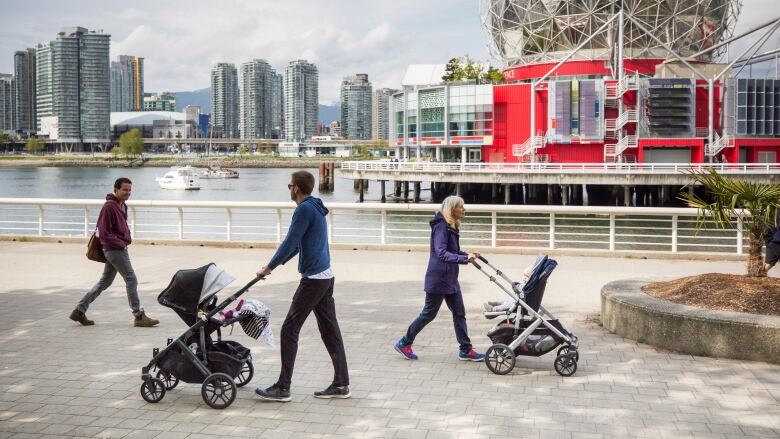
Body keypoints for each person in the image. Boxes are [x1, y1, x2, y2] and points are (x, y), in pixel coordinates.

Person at [255, 170, 350, 402]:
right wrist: (279, 263)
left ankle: (283, 387)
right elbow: (300, 243)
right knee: (330, 330)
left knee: (289, 329)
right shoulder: (316, 207)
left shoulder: (304, 209)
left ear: (296, 188)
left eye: (290, 185)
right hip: (326, 276)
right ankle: (341, 384)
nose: (289, 189)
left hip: (315, 279)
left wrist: (268, 267)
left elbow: (289, 242)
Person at [394, 195, 485, 362]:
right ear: (452, 209)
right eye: (461, 207)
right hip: (438, 278)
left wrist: (468, 255)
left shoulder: (451, 226)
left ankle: (465, 349)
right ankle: (404, 342)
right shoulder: (441, 226)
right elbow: (441, 253)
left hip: (450, 278)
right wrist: (464, 259)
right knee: (428, 313)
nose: (464, 209)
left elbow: (453, 252)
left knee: (459, 313)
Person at [70, 178, 159, 327]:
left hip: (116, 248)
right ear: (116, 189)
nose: (127, 192)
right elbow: (104, 233)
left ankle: (79, 310)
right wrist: (121, 243)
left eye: (129, 190)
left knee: (105, 281)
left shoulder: (122, 205)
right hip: (114, 250)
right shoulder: (109, 207)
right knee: (131, 279)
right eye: (124, 189)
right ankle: (139, 316)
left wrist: (125, 239)